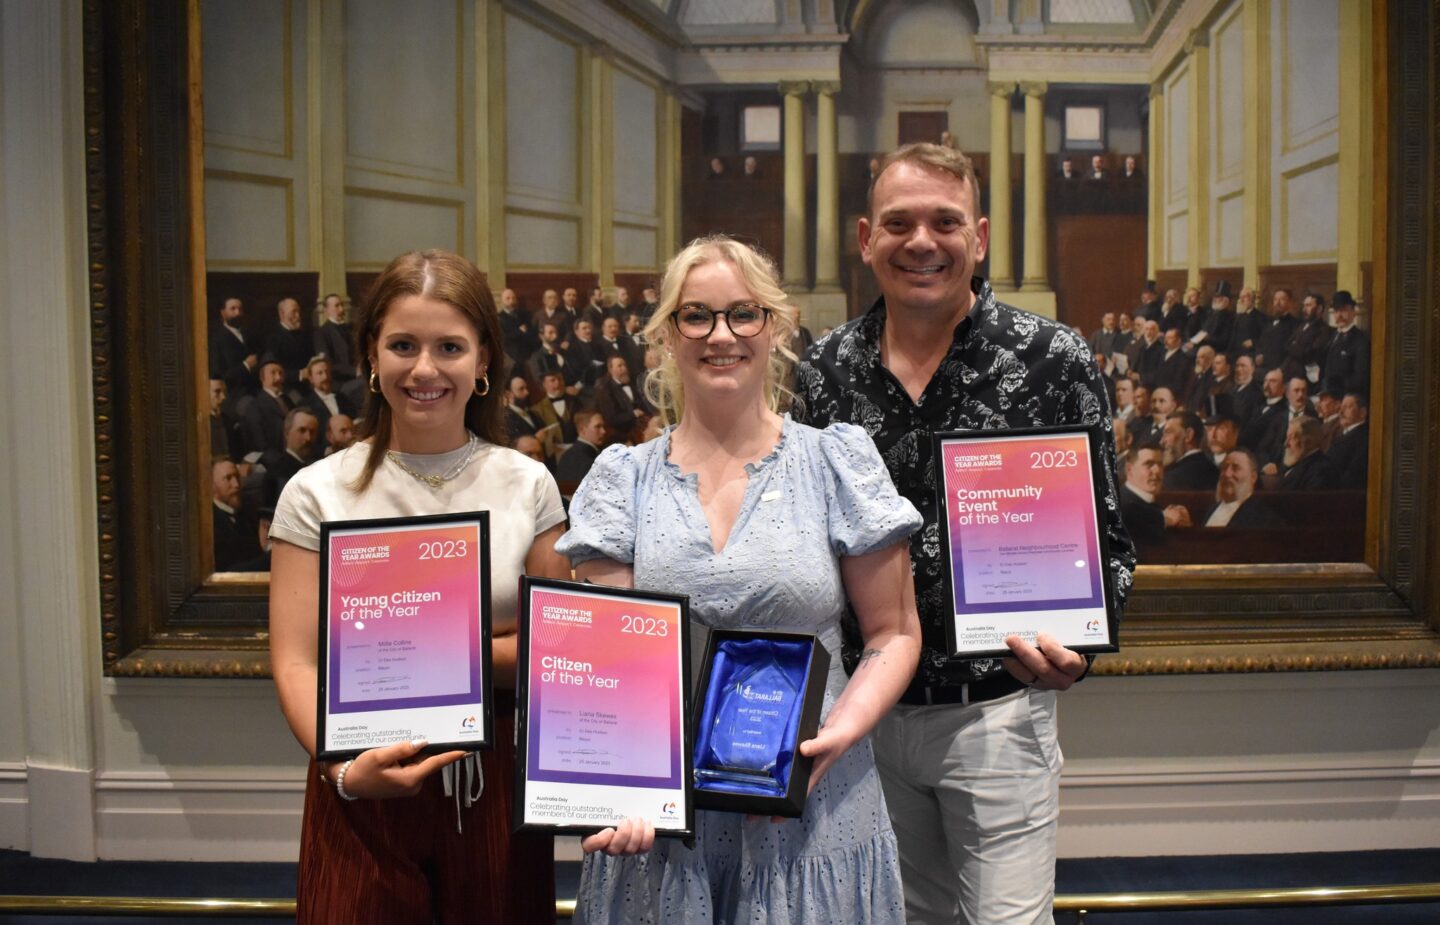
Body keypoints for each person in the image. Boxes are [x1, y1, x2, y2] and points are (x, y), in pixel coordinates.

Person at [794, 143, 1135, 925]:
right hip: (866, 720)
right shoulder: (825, 370)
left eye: (945, 222)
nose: (922, 242)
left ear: (978, 237)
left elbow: (1109, 542)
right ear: (864, 237)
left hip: (999, 711)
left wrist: (1078, 645)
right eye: (898, 223)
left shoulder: (1053, 359)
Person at [559, 234, 922, 923]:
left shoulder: (836, 461)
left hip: (817, 803)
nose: (719, 334)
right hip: (671, 828)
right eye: (696, 315)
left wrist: (842, 730)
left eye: (741, 313)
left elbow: (894, 631)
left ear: (776, 327)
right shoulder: (621, 481)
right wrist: (621, 789)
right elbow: (611, 670)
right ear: (668, 333)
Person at [267, 249, 567, 923]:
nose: (425, 368)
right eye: (402, 344)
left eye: (449, 346)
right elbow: (294, 659)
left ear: (483, 360)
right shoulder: (315, 494)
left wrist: (445, 653)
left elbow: (559, 651)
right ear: (370, 355)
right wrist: (341, 766)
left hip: (493, 792)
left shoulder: (530, 485)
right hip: (359, 782)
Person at [1120, 444, 1190, 545]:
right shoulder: (1120, 502)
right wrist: (1165, 519)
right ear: (1129, 469)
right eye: (1149, 464)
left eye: (1160, 464)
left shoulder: (1152, 504)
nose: (1157, 471)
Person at [1203, 449, 1282, 527]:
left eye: (1235, 468)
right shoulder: (1212, 509)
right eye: (1224, 467)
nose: (1227, 474)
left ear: (1253, 477)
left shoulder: (1264, 519)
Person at [555, 408, 607, 483]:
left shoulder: (567, 454)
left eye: (603, 426)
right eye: (598, 427)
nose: (603, 431)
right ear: (582, 430)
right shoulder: (589, 459)